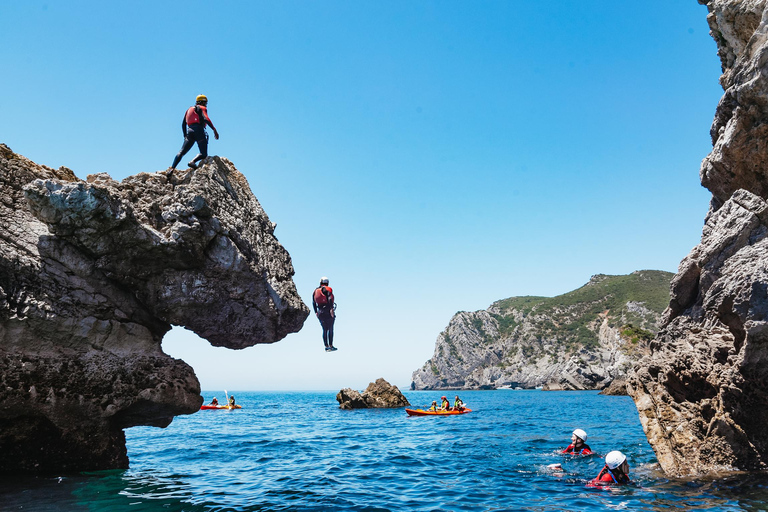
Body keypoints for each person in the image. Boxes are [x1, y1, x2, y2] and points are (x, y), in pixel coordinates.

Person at [171, 94, 219, 170]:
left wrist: (185, 136)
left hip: (190, 131)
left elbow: (183, 124)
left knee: (181, 152)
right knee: (203, 154)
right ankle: (192, 161)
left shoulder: (188, 110)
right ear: (203, 102)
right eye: (205, 103)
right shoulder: (202, 108)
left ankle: (172, 169)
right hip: (199, 130)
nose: (206, 105)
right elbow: (206, 118)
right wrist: (214, 129)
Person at [312, 276, 336, 352]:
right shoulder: (327, 289)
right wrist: (331, 309)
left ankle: (326, 346)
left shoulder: (315, 291)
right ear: (327, 283)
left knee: (324, 329)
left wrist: (316, 312)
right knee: (330, 328)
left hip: (320, 312)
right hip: (328, 311)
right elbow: (329, 298)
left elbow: (313, 302)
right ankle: (331, 346)